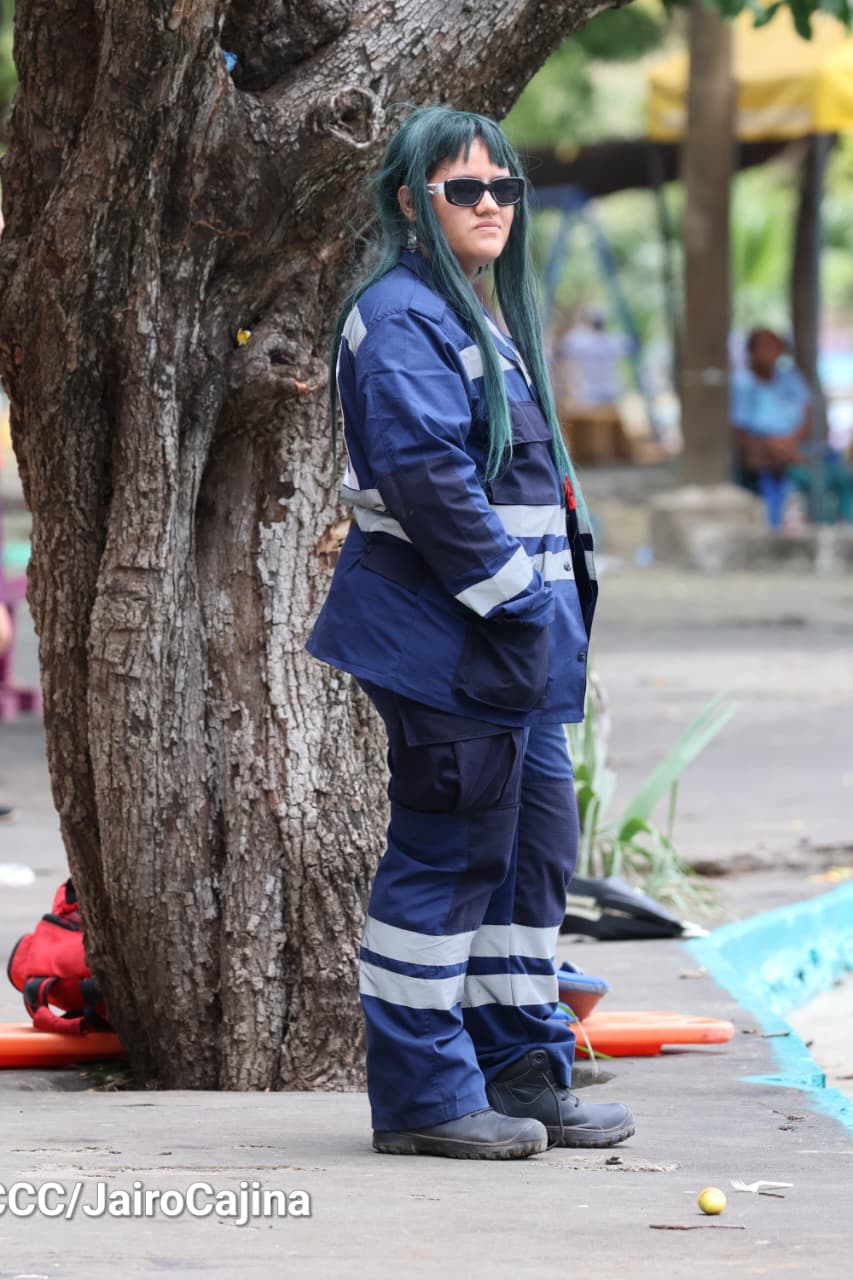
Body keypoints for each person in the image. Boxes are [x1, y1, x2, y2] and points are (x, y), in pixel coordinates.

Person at [306, 106, 634, 1160]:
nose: (490, 204)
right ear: (412, 201)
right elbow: (433, 484)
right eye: (464, 188)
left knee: (528, 858)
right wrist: (523, 606)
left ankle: (522, 1069)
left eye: (502, 187)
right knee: (448, 858)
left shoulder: (471, 317)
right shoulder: (398, 316)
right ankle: (423, 1093)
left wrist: (541, 627)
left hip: (516, 654)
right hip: (454, 645)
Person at [730, 328, 812, 529]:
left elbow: (808, 414)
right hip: (760, 449)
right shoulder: (742, 383)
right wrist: (773, 445)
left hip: (793, 446)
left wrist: (788, 443)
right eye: (763, 346)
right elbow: (739, 428)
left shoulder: (790, 378)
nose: (769, 352)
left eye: (773, 346)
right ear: (751, 351)